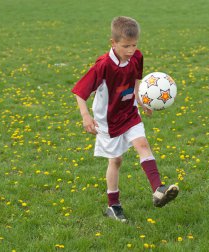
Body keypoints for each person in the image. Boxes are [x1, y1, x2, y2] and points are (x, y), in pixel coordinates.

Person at [71, 16, 178, 222]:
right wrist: (86, 116)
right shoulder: (103, 65)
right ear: (113, 43)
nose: (131, 50)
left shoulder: (137, 57)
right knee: (116, 160)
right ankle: (113, 206)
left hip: (129, 112)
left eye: (134, 45)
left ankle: (159, 189)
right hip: (108, 121)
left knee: (142, 144)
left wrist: (143, 100)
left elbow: (137, 82)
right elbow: (80, 91)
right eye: (125, 46)